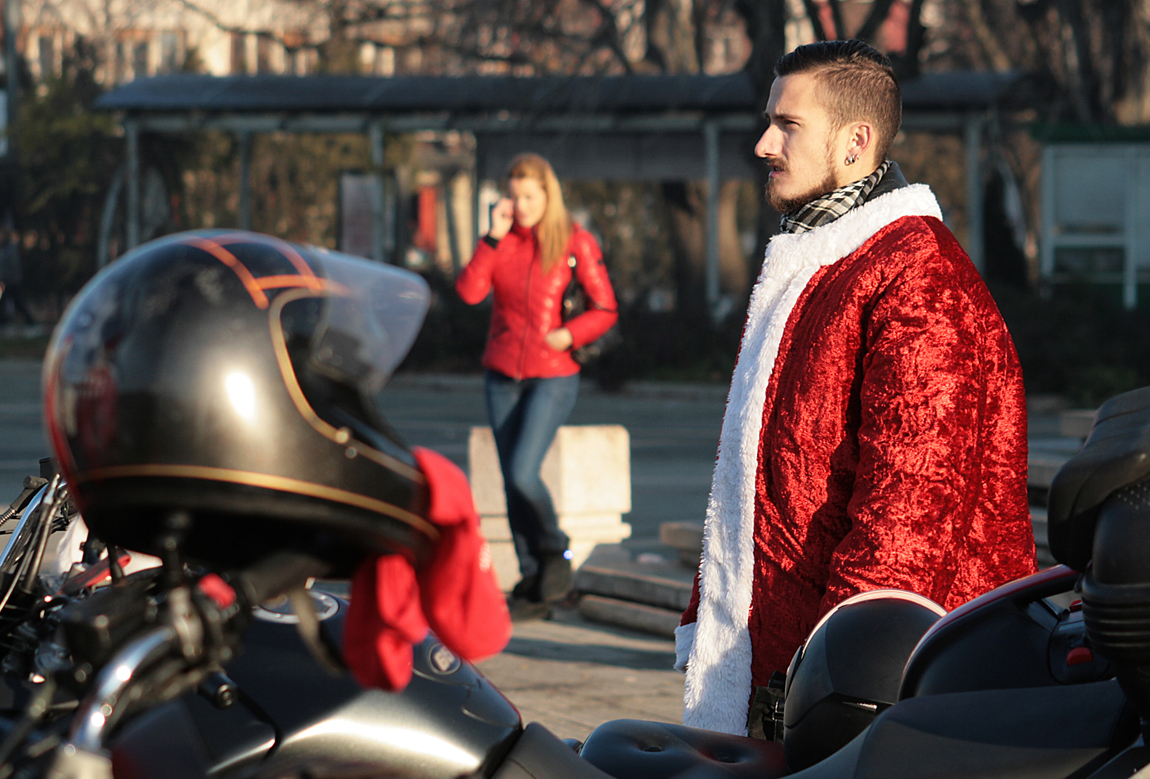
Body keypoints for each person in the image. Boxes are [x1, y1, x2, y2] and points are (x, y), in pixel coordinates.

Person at [675, 40, 1038, 736]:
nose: (763, 143)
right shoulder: (819, 266)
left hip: (880, 693)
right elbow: (749, 486)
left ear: (855, 142)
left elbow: (909, 517)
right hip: (786, 667)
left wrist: (835, 688)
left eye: (788, 124)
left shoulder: (918, 277)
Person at [456, 153, 618, 620]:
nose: (521, 205)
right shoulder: (501, 240)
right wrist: (491, 236)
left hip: (554, 373)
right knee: (510, 480)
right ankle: (531, 578)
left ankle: (553, 549)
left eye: (529, 196)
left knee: (524, 472)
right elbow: (469, 292)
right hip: (501, 374)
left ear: (548, 195)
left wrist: (569, 334)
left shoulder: (574, 241)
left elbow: (605, 308)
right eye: (514, 196)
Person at [0, 229, 34, 326]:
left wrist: (3, 278)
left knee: (16, 303)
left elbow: (10, 267)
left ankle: (30, 321)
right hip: (8, 282)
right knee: (6, 303)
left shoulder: (10, 250)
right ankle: (4, 321)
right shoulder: (5, 249)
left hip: (11, 282)